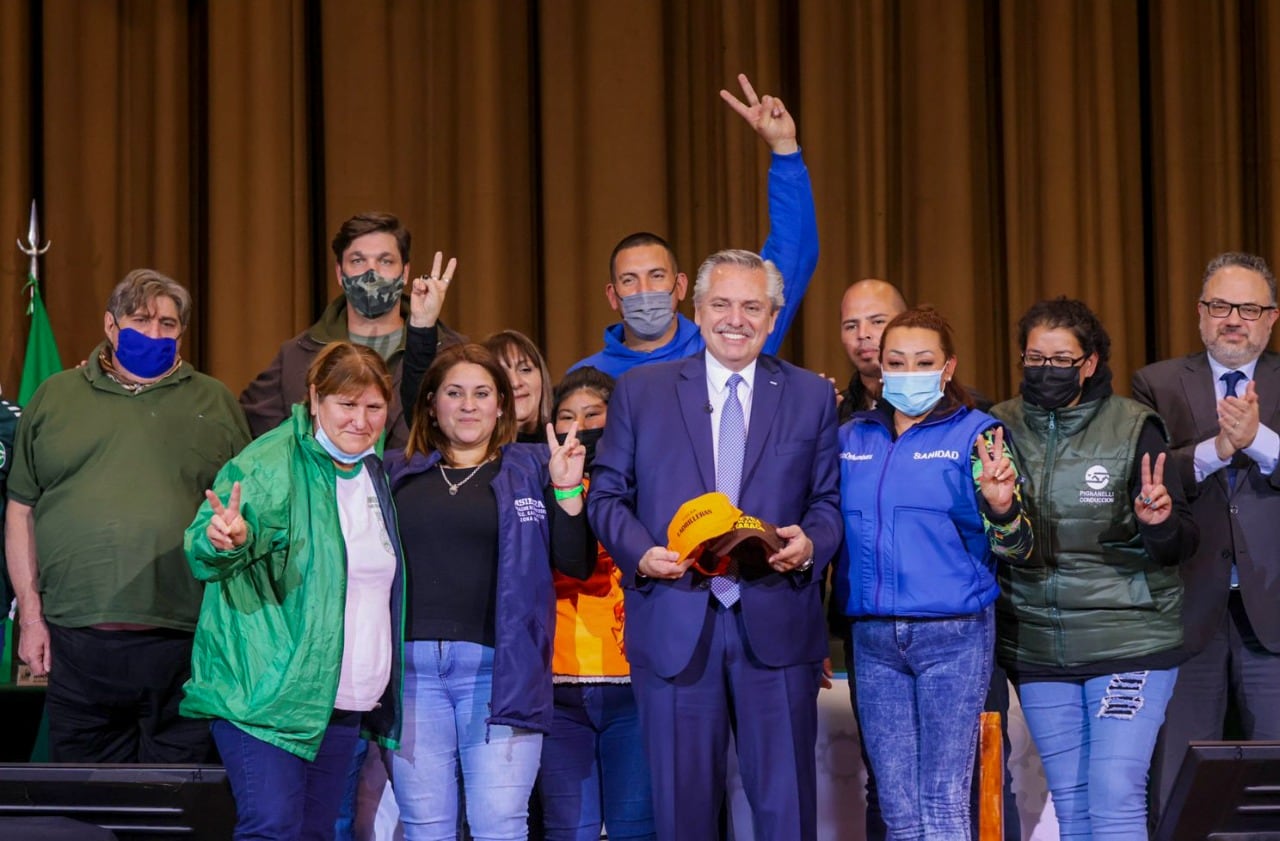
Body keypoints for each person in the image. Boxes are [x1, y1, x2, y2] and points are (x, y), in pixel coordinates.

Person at [588, 249, 841, 841]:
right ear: (696, 310)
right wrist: (641, 553)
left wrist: (811, 543)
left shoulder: (808, 395)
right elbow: (605, 497)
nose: (736, 318)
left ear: (773, 317)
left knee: (786, 809)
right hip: (676, 620)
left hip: (775, 622)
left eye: (752, 306)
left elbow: (828, 504)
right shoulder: (640, 391)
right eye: (721, 304)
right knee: (682, 813)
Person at [4, 268, 250, 762]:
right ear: (110, 326)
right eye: (140, 321)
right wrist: (30, 617)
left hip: (185, 641)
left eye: (168, 324)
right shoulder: (55, 396)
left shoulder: (216, 402)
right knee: (83, 810)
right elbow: (20, 511)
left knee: (179, 805)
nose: (155, 333)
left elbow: (243, 514)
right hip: (76, 641)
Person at [990, 297, 1197, 838]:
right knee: (1075, 805)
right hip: (1037, 646)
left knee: (1114, 794)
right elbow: (1000, 545)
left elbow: (1179, 544)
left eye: (1061, 360)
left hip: (1129, 640)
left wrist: (1158, 523)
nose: (1046, 371)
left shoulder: (1133, 427)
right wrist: (1002, 510)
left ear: (1090, 361)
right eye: (1034, 359)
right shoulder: (997, 427)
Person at [182, 342, 404, 840]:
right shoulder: (270, 462)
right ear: (315, 398)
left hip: (342, 703)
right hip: (266, 699)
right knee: (275, 829)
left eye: (373, 407)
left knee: (316, 833)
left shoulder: (373, 471)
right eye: (347, 404)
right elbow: (207, 543)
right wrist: (225, 540)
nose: (361, 420)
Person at [834, 306, 1033, 841]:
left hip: (954, 636)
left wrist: (1000, 507)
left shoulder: (979, 435)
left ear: (947, 369)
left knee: (944, 803)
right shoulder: (852, 438)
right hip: (873, 639)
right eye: (896, 361)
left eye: (924, 361)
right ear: (880, 365)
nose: (909, 371)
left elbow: (1020, 547)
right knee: (898, 812)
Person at [386, 343, 595, 840]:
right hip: (410, 676)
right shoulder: (395, 472)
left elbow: (574, 562)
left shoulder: (532, 467)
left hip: (499, 675)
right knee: (425, 828)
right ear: (432, 403)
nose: (468, 405)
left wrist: (566, 490)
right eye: (454, 393)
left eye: (482, 393)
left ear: (501, 405)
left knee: (499, 825)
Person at [1132, 251, 1280, 825]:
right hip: (1187, 609)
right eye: (1221, 306)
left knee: (1273, 782)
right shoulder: (1159, 383)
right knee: (1180, 782)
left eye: (1249, 307)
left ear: (1271, 317)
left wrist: (1260, 440)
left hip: (1272, 614)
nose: (1233, 319)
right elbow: (1146, 476)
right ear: (1200, 314)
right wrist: (1218, 450)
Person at [569, 74, 818, 377]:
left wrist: (784, 149)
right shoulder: (587, 377)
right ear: (612, 295)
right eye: (629, 280)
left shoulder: (727, 343)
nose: (645, 291)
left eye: (657, 276)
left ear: (682, 286)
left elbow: (794, 255)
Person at [538, 367, 654, 841]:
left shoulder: (645, 486)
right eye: (567, 417)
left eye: (592, 415)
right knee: (570, 831)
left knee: (636, 831)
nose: (579, 427)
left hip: (633, 684)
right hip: (558, 687)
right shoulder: (541, 487)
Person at [240, 211, 463, 447]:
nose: (371, 273)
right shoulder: (296, 356)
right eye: (358, 261)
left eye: (385, 261)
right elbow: (253, 439)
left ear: (405, 272)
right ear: (339, 273)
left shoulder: (452, 352)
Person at [486, 330, 554, 443]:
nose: (515, 383)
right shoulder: (478, 453)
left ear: (542, 376)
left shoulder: (567, 440)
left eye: (525, 370)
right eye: (502, 375)